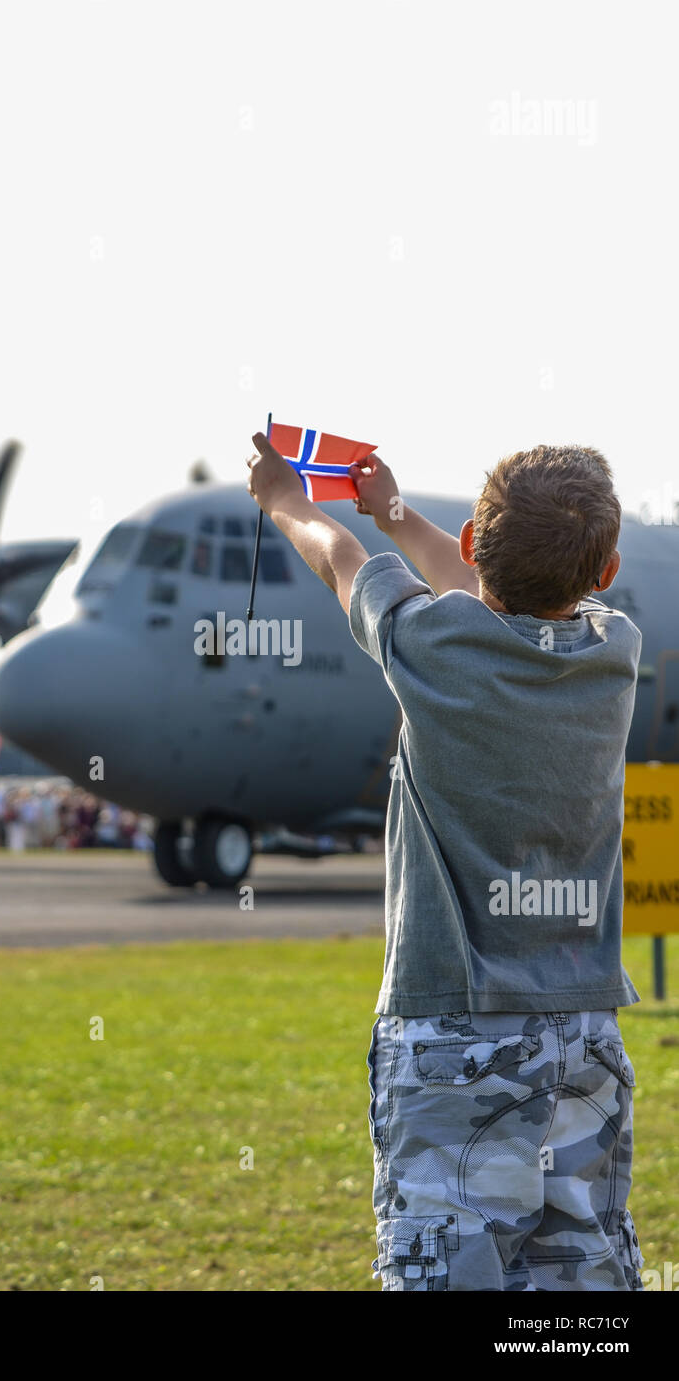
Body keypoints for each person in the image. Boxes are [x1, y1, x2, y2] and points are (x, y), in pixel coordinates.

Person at [247, 433, 644, 1293]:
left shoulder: (427, 645)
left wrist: (286, 503)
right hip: (584, 1035)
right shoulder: (615, 653)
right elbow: (500, 598)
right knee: (581, 1280)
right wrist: (393, 510)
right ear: (604, 572)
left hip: (453, 1033)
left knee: (449, 1270)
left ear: (470, 544)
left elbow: (341, 559)